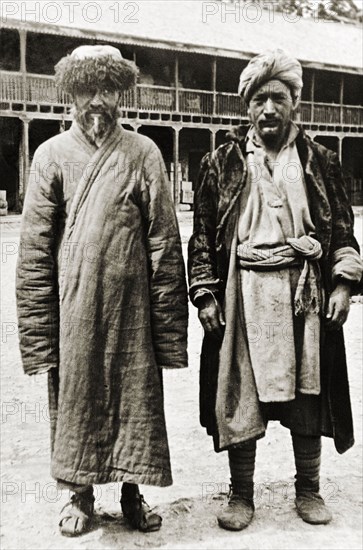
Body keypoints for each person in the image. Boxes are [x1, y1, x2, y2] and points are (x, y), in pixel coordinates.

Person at [16, 45, 188, 537]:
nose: (98, 100)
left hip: (132, 313)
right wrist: (39, 335)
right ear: (70, 94)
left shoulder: (144, 153)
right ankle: (78, 495)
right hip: (75, 314)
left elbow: (163, 243)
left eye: (108, 90)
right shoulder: (50, 156)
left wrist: (168, 329)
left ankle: (134, 492)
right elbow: (33, 252)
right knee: (75, 403)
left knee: (137, 401)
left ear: (121, 95)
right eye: (87, 89)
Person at [188, 49, 362, 531]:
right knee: (240, 393)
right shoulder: (222, 163)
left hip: (302, 291)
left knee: (308, 393)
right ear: (246, 106)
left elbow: (344, 232)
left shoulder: (319, 162)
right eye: (259, 99)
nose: (269, 109)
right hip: (241, 292)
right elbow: (202, 234)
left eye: (278, 99)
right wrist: (204, 293)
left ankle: (308, 488)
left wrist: (343, 285)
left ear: (295, 105)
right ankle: (240, 494)